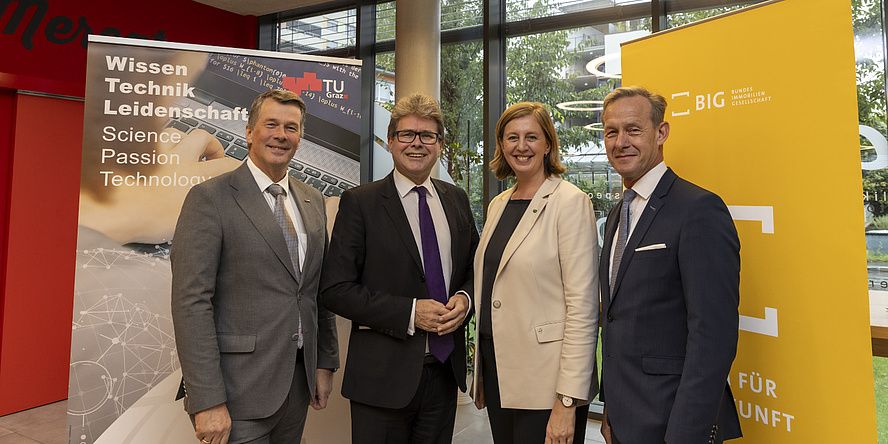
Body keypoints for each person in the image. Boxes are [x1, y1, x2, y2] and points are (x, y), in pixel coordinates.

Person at [171, 89, 339, 444]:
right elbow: (191, 304)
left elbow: (316, 293)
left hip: (296, 386)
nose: (281, 135)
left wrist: (323, 363)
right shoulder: (209, 199)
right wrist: (206, 400)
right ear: (249, 131)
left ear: (300, 137)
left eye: (291, 128)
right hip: (235, 394)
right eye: (271, 124)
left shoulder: (312, 201)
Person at [321, 93, 479, 444]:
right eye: (407, 134)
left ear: (439, 144)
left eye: (428, 135)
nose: (417, 144)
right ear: (391, 141)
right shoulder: (360, 203)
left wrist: (466, 299)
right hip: (381, 382)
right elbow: (335, 289)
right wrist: (410, 312)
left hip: (443, 375)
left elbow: (474, 267)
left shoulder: (456, 200)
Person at [598, 85, 742, 444]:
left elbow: (713, 337)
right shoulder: (619, 212)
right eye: (611, 132)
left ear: (661, 133)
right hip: (623, 417)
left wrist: (685, 435)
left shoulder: (698, 209)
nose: (620, 142)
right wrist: (611, 414)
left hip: (674, 423)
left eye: (633, 129)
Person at [470, 102, 599, 444]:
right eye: (512, 137)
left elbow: (583, 308)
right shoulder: (498, 205)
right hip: (499, 373)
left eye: (531, 137)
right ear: (501, 145)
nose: (521, 146)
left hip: (548, 383)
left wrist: (567, 399)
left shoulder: (570, 203)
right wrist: (481, 374)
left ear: (548, 144)